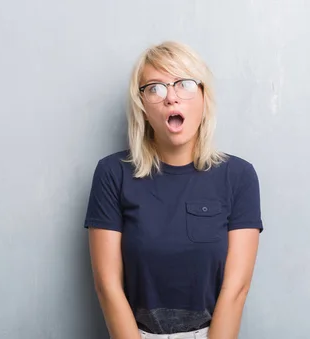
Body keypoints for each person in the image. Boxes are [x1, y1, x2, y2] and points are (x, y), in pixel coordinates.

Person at [83, 41, 264, 339]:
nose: (171, 98)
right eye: (155, 88)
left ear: (204, 98)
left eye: (185, 84)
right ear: (142, 108)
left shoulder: (239, 176)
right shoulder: (112, 173)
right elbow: (107, 286)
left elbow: (236, 290)